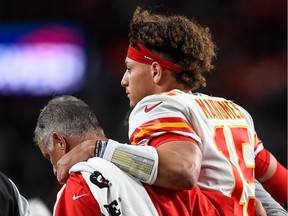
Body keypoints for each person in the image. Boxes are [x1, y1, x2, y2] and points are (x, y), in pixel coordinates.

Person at [55, 7, 287, 215]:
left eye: (129, 69)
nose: (124, 80)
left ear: (155, 71)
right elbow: (277, 178)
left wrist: (98, 149)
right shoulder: (235, 110)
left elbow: (183, 170)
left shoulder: (157, 105)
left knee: (92, 173)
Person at [34, 95, 229, 216]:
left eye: (49, 156)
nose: (54, 168)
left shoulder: (81, 187)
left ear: (60, 141)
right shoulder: (169, 176)